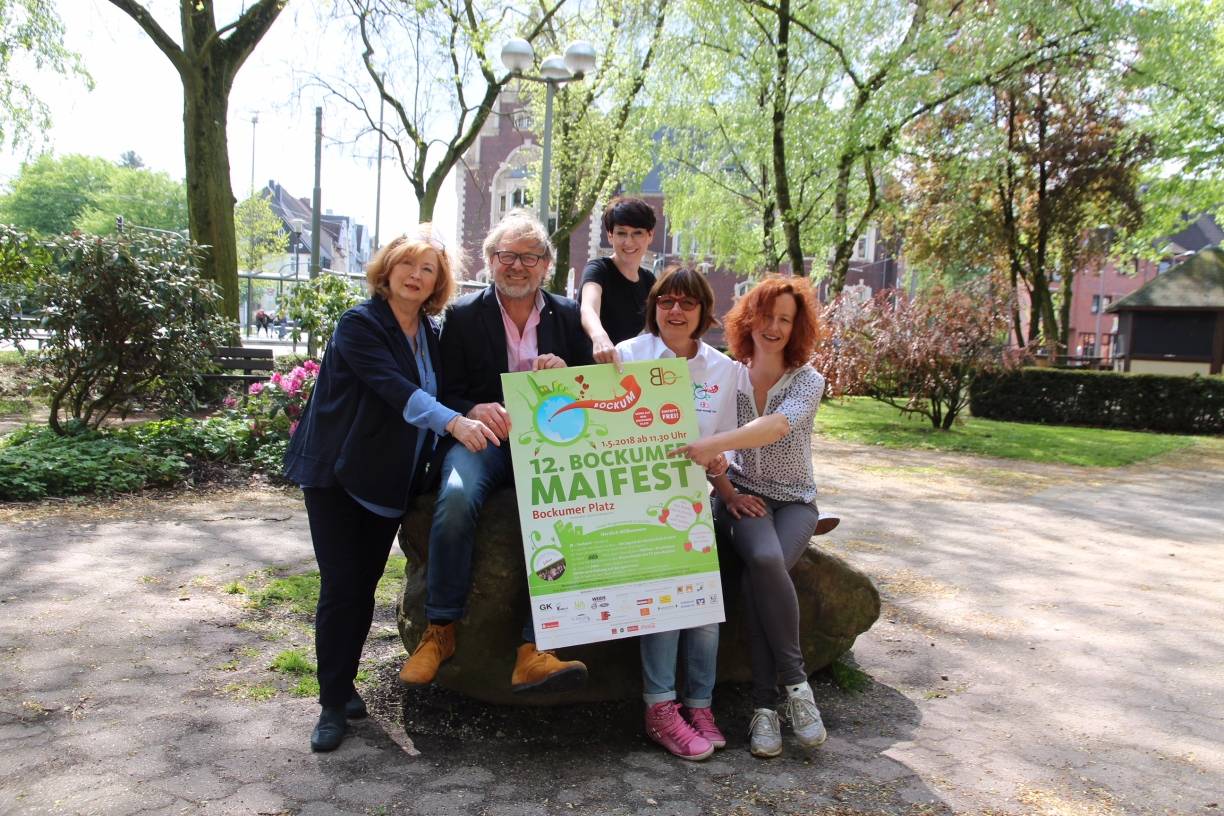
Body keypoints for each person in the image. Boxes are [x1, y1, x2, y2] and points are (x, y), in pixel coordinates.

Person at [283, 225, 498, 753]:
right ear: (388, 269)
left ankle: (342, 681)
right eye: (408, 264)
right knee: (342, 587)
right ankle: (332, 704)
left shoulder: (429, 331)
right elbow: (395, 390)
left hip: (384, 482)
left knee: (364, 585)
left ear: (437, 283)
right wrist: (455, 423)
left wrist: (475, 407)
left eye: (428, 269)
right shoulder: (361, 324)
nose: (416, 276)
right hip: (337, 475)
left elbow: (444, 387)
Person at [397, 209, 595, 694]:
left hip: (551, 445)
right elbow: (442, 389)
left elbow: (592, 396)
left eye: (530, 257)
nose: (518, 265)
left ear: (547, 265)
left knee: (572, 509)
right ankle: (440, 631)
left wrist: (566, 376)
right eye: (507, 255)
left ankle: (534, 648)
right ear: (490, 260)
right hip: (485, 440)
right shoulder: (462, 315)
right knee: (457, 496)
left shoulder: (568, 316)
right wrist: (474, 407)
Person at [671, 275, 837, 759]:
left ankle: (769, 704)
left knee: (758, 577)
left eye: (785, 319)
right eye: (767, 317)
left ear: (797, 327)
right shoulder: (729, 374)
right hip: (741, 498)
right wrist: (723, 480)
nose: (774, 327)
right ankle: (797, 691)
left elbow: (777, 426)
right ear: (750, 319)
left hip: (795, 502)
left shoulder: (808, 380)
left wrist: (714, 446)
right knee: (764, 561)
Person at [614, 266, 738, 761]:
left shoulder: (724, 370)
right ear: (655, 307)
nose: (676, 311)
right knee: (665, 602)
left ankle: (699, 705)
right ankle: (659, 708)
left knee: (705, 610)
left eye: (688, 303)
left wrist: (725, 466)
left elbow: (731, 443)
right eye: (667, 301)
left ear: (704, 313)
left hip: (695, 503)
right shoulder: (628, 355)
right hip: (639, 504)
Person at [580, 197, 657, 365]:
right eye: (621, 233)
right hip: (590, 369)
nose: (628, 242)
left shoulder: (649, 281)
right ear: (610, 236)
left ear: (650, 235)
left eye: (637, 233)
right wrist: (599, 336)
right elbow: (588, 308)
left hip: (623, 371)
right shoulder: (598, 269)